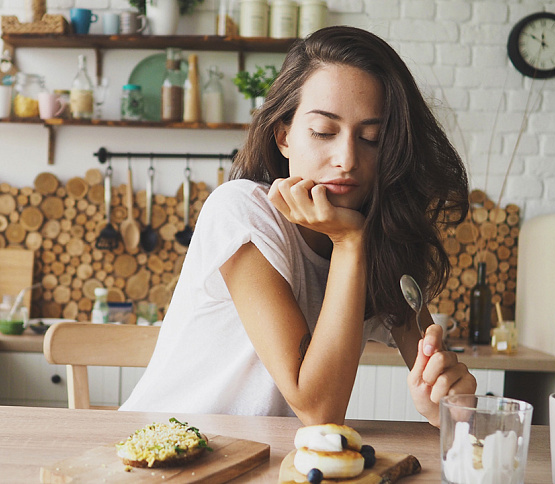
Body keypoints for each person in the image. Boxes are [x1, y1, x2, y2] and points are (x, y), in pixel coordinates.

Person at [120, 26, 476, 426]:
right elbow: (317, 408)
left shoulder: (380, 243)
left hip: (268, 463)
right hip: (164, 449)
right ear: (283, 135)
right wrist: (348, 241)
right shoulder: (240, 212)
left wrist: (445, 403)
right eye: (324, 132)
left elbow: (435, 377)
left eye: (372, 138)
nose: (346, 158)